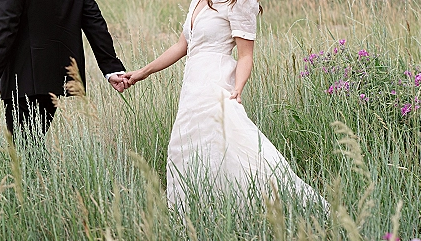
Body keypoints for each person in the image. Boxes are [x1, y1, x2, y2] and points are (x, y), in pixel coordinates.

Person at [124, 0, 326, 209]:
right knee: (184, 150)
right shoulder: (198, 1)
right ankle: (198, 216)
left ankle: (276, 203)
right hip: (191, 90)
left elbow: (246, 55)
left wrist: (238, 88)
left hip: (217, 85)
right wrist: (142, 73)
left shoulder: (240, 3)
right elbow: (181, 46)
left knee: (230, 148)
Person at [0, 0, 129, 139]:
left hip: (21, 78)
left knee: (24, 151)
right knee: (32, 145)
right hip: (55, 76)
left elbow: (5, 29)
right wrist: (111, 68)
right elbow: (94, 21)